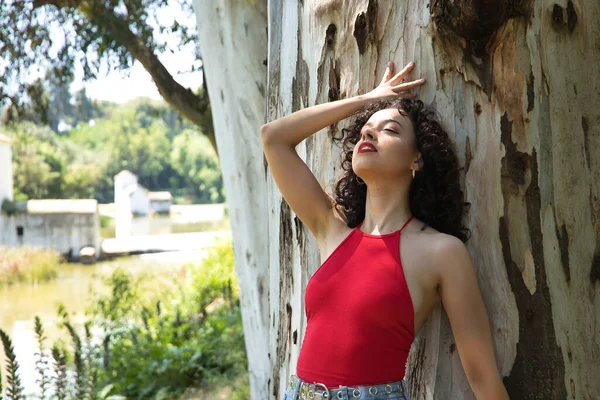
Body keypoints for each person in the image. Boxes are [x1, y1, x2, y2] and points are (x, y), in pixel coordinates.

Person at [260, 61, 510, 400]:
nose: (368, 133)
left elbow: (481, 375)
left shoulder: (441, 252)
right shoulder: (332, 229)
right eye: (365, 129)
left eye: (389, 130)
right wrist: (368, 100)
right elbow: (273, 138)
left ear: (417, 160)